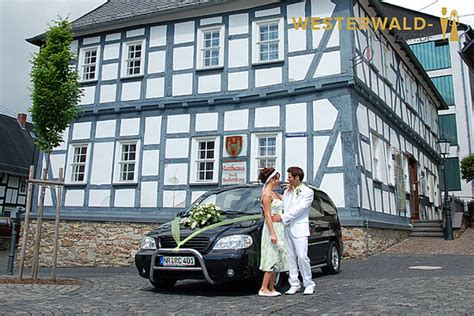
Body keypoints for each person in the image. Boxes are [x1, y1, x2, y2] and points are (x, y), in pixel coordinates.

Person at [272, 166, 315, 295]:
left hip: (299, 228)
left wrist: (282, 217)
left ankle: (308, 283)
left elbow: (299, 209)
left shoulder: (308, 192)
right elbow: (285, 204)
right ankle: (294, 283)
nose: (288, 179)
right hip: (287, 228)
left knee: (302, 257)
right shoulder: (288, 191)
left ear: (297, 178)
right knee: (290, 258)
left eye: (290, 177)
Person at [258, 167, 288, 297]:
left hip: (279, 227)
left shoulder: (275, 194)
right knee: (270, 256)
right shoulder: (266, 195)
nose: (278, 181)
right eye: (277, 178)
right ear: (272, 180)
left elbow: (286, 199)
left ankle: (271, 286)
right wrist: (272, 233)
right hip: (272, 228)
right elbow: (267, 215)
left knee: (277, 257)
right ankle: (263, 288)